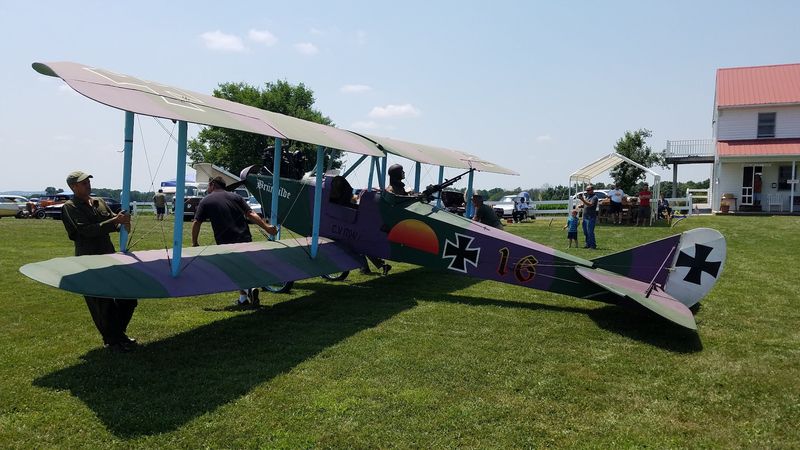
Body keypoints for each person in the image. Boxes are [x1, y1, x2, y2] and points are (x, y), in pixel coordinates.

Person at [61, 170, 138, 353]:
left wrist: (123, 222)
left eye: (88, 181)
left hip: (109, 257)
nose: (88, 185)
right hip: (88, 260)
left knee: (128, 297)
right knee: (102, 303)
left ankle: (118, 335)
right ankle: (113, 341)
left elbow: (115, 222)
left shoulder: (100, 202)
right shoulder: (70, 207)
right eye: (83, 183)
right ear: (73, 187)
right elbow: (86, 231)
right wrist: (115, 221)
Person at [191, 176, 278, 307]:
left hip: (225, 240)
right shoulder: (236, 197)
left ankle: (249, 290)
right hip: (244, 237)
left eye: (208, 185)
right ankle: (243, 299)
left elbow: (197, 222)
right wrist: (267, 228)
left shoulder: (206, 200)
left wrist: (195, 242)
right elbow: (251, 214)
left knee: (233, 269)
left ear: (213, 184)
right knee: (244, 266)